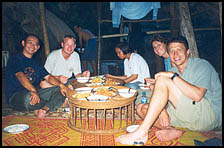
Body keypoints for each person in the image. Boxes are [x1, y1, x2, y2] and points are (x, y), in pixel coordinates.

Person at [116, 36, 221, 145]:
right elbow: (166, 96)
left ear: (188, 52)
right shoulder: (173, 70)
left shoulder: (201, 65)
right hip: (186, 113)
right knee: (140, 109)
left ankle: (141, 133)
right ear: (168, 54)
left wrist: (172, 77)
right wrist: (162, 110)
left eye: (179, 50)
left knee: (162, 80)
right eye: (172, 51)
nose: (175, 55)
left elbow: (197, 96)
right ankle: (178, 130)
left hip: (206, 115)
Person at [5, 34, 69, 118]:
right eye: (30, 42)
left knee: (60, 90)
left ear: (38, 47)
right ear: (23, 43)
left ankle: (44, 109)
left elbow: (48, 77)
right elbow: (20, 76)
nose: (32, 46)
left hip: (36, 93)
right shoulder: (15, 59)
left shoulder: (36, 63)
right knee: (28, 99)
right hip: (16, 96)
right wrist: (33, 90)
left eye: (36, 44)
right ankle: (54, 104)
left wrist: (61, 85)